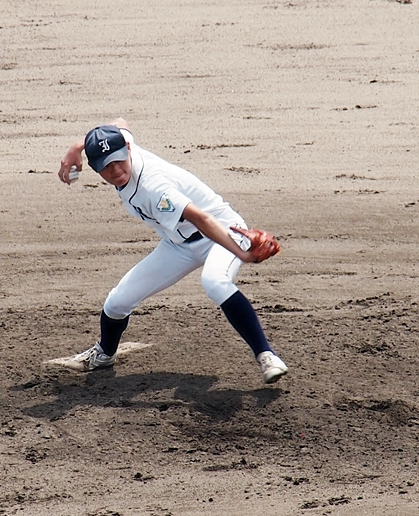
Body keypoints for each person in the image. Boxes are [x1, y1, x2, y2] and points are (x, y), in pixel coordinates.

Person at [58, 118, 288, 384]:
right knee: (117, 302)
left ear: (128, 150)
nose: (116, 170)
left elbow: (201, 219)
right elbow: (119, 122)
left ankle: (266, 355)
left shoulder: (153, 187)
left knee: (214, 281)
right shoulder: (123, 141)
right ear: (95, 168)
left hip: (223, 233)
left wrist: (243, 254)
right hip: (178, 244)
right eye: (106, 166)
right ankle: (105, 354)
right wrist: (77, 147)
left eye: (119, 160)